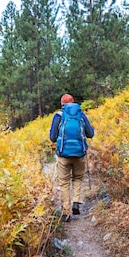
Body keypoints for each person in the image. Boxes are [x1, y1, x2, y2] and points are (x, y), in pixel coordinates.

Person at [49, 94, 95, 222]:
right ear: (73, 103)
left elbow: (52, 138)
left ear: (62, 104)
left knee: (64, 183)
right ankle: (76, 201)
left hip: (63, 155)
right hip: (79, 154)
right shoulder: (81, 115)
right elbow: (90, 134)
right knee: (77, 178)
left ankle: (66, 212)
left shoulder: (58, 116)